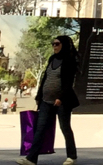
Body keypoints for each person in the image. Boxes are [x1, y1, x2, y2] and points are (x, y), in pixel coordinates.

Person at [17, 35, 79, 165]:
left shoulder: (69, 60)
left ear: (64, 45)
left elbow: (68, 82)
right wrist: (39, 96)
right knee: (40, 128)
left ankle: (71, 157)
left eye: (57, 44)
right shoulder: (52, 59)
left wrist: (60, 97)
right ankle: (31, 159)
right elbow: (45, 78)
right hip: (46, 100)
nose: (54, 46)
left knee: (65, 127)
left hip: (62, 101)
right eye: (53, 44)